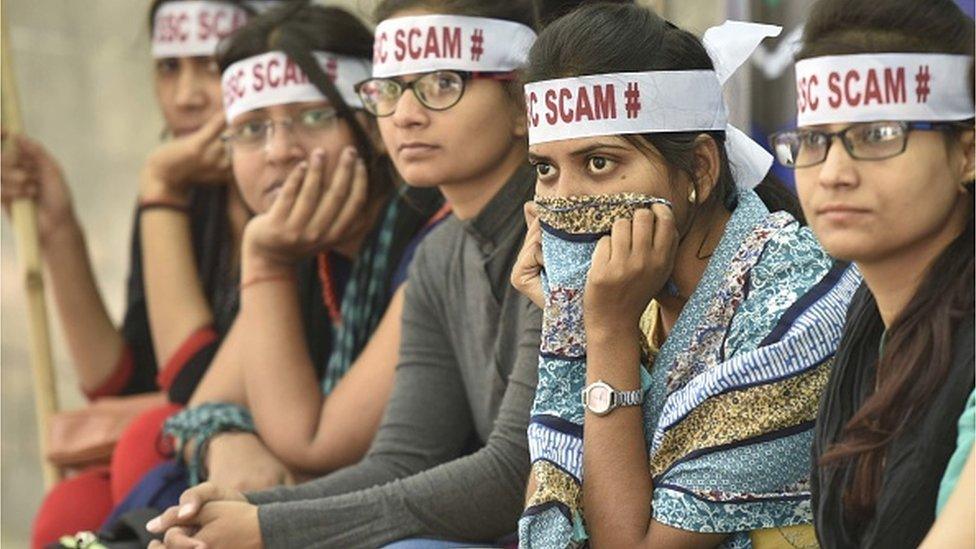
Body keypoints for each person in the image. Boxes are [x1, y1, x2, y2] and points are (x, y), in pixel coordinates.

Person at [147, 1, 543, 547]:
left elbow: (515, 476)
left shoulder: (560, 234)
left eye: (442, 82)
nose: (406, 115)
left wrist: (267, 526)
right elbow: (401, 462)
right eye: (391, 88)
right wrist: (233, 511)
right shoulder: (442, 253)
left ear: (523, 100)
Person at [513, 4, 860, 548]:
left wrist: (599, 333)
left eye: (600, 163)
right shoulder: (634, 292)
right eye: (546, 170)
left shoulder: (794, 312)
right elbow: (554, 516)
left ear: (698, 168)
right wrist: (575, 321)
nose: (564, 201)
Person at [11, 2, 257, 546]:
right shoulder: (187, 192)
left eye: (211, 66)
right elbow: (123, 381)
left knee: (147, 441)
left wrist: (159, 187)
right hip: (195, 437)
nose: (186, 94)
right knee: (69, 508)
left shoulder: (283, 182)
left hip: (265, 451)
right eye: (169, 67)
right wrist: (58, 231)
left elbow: (195, 387)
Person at [769, 0, 975, 546]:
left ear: (968, 153)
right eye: (814, 140)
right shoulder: (868, 327)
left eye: (879, 134)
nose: (834, 173)